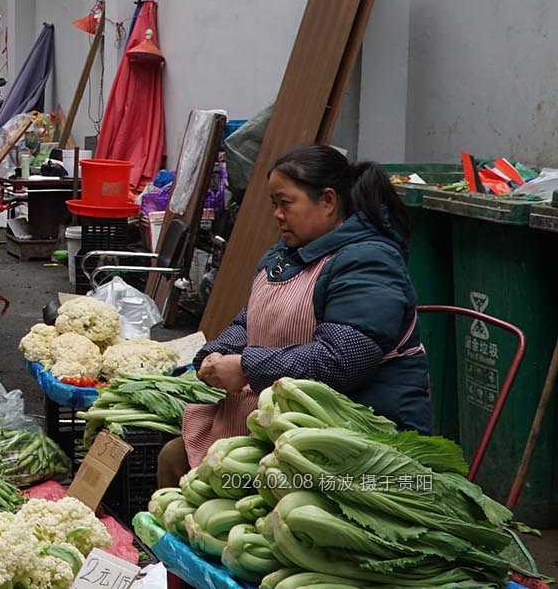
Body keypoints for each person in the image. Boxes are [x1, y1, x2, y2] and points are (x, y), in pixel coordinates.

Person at [155, 145, 430, 488]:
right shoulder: (288, 253)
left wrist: (246, 367)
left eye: (285, 203)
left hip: (356, 442)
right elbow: (256, 318)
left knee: (203, 473)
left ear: (327, 201)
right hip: (292, 426)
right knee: (174, 456)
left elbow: (340, 360)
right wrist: (217, 353)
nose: (277, 214)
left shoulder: (369, 262)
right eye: (274, 204)